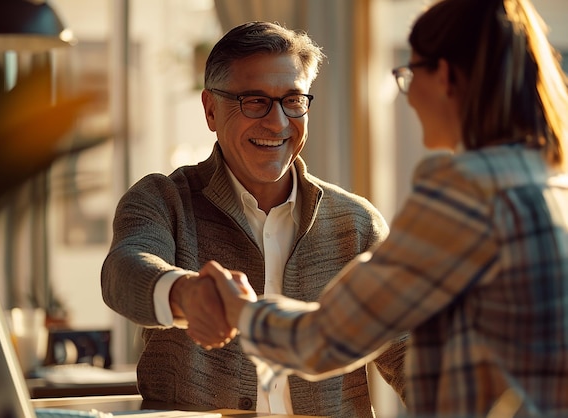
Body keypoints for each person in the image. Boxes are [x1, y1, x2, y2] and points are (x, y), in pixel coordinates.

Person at [201, 1, 568, 417]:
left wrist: (241, 309)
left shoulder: (466, 193)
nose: (407, 96)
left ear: (445, 76)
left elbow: (323, 340)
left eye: (409, 75)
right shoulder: (551, 186)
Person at [101, 21, 406, 417]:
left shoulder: (357, 223)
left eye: (293, 100)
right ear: (211, 109)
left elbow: (411, 358)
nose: (278, 122)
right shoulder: (162, 199)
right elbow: (123, 273)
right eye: (254, 101)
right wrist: (186, 295)